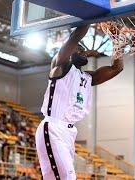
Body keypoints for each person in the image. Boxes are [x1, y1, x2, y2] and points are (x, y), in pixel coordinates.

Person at [35, 25, 123, 180]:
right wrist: (90, 15)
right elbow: (75, 37)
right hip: (54, 127)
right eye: (79, 48)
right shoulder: (59, 66)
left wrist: (116, 39)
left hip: (69, 133)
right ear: (69, 51)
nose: (82, 51)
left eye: (83, 49)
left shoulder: (88, 78)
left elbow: (117, 68)